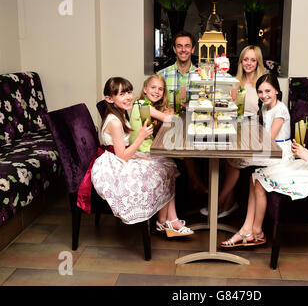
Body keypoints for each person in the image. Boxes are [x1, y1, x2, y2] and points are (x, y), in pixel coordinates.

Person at [221, 83, 308, 247]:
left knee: (261, 180)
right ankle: (247, 229)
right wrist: (304, 153)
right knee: (255, 176)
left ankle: (255, 231)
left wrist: (307, 157)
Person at [91, 77, 193, 237]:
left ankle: (167, 220)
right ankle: (168, 221)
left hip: (122, 157)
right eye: (121, 94)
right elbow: (122, 156)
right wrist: (141, 136)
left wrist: (138, 156)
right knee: (162, 169)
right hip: (114, 166)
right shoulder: (115, 122)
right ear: (109, 99)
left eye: (129, 92)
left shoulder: (121, 114)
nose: (128, 97)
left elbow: (123, 149)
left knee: (166, 164)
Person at [200, 74, 292, 218]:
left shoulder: (280, 110)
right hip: (268, 149)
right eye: (260, 92)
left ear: (277, 91)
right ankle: (226, 202)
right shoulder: (266, 108)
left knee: (234, 159)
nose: (264, 95)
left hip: (278, 153)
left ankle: (219, 202)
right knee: (231, 159)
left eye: (268, 91)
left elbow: (269, 139)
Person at [158, 30, 207, 195]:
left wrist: (186, 104)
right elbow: (156, 105)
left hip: (197, 127)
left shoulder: (202, 75)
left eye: (187, 46)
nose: (183, 49)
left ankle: (199, 186)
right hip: (170, 128)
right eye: (179, 46)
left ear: (193, 49)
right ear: (174, 49)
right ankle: (197, 185)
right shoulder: (162, 76)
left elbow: (206, 103)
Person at [233, 45, 266, 115]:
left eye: (253, 60)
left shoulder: (264, 84)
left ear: (258, 63)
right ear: (241, 62)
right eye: (245, 59)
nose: (249, 63)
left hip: (257, 124)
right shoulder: (236, 83)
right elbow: (234, 110)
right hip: (239, 123)